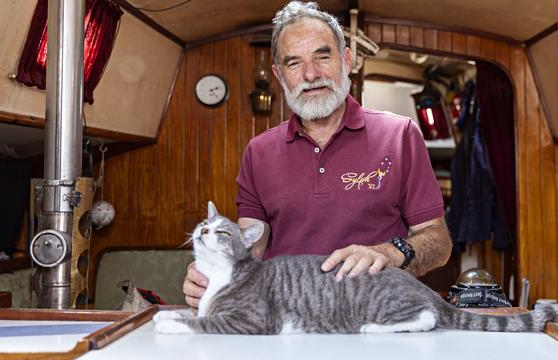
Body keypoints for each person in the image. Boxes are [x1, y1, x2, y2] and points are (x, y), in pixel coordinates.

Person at [183, 1, 452, 308]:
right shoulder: (258, 152)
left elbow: (438, 242)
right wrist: (209, 272)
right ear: (279, 75)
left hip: (378, 314)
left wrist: (389, 253)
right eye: (294, 63)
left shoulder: (400, 135)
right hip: (287, 320)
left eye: (322, 56)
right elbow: (249, 249)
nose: (311, 74)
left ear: (346, 60)